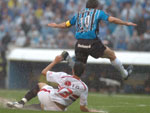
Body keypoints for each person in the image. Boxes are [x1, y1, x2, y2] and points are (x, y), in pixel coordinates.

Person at [47, 0, 137, 80]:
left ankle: (68, 60)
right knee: (111, 55)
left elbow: (66, 24)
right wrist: (126, 23)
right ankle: (125, 74)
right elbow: (112, 19)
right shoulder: (98, 12)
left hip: (79, 44)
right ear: (96, 7)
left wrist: (56, 25)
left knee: (78, 71)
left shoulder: (78, 14)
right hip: (92, 43)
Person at [7, 51, 100, 112]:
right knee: (47, 104)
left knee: (41, 84)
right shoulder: (84, 87)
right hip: (59, 109)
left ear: (72, 70)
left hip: (48, 98)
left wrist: (55, 61)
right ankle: (23, 107)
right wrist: (92, 111)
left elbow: (43, 72)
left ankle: (21, 104)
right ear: (83, 73)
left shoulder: (63, 76)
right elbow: (82, 108)